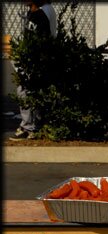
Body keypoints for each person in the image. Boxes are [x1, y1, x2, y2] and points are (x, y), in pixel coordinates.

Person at [10, 0, 54, 141]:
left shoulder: (40, 16)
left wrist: (36, 61)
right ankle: (31, 126)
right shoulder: (31, 13)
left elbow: (43, 41)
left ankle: (29, 128)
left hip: (35, 62)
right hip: (28, 60)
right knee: (25, 91)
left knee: (25, 91)